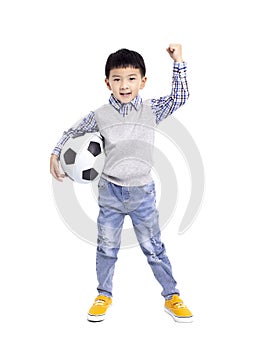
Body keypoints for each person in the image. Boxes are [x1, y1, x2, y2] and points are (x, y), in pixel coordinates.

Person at [50, 43, 193, 323]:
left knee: (154, 247)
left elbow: (181, 96)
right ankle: (104, 294)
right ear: (107, 83)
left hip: (143, 193)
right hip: (110, 193)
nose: (124, 85)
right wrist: (55, 153)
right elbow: (72, 131)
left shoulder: (152, 110)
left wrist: (178, 62)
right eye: (117, 79)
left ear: (143, 81)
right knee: (106, 246)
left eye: (131, 79)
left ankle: (172, 296)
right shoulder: (100, 115)